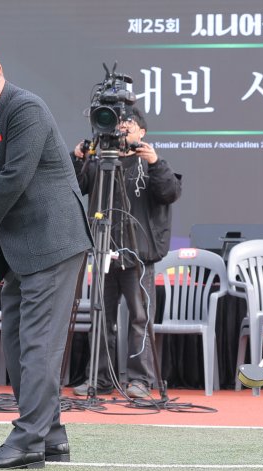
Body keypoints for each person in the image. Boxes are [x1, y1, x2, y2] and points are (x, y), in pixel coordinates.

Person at [0, 35, 93, 469]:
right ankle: (51, 435)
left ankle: (27, 440)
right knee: (16, 343)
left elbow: (13, 178)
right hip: (19, 250)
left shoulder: (26, 109)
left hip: (54, 242)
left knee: (37, 346)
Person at [70, 106, 181, 399]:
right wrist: (76, 158)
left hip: (139, 257)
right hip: (104, 252)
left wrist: (155, 162)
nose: (122, 127)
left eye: (129, 123)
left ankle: (140, 381)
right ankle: (98, 378)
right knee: (100, 317)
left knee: (139, 318)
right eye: (117, 122)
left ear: (142, 132)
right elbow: (71, 188)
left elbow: (170, 193)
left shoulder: (152, 165)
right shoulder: (98, 163)